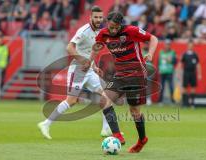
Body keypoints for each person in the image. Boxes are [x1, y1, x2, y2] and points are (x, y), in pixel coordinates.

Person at [38, 6, 112, 139]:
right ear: (90, 17)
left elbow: (88, 52)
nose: (98, 19)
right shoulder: (84, 30)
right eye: (96, 17)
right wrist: (82, 61)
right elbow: (69, 47)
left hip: (88, 70)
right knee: (71, 101)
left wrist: (94, 67)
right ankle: (46, 124)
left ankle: (106, 129)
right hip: (77, 69)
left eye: (100, 17)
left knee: (107, 95)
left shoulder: (99, 32)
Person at [92, 11, 158, 153]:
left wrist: (151, 53)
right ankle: (117, 135)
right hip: (120, 75)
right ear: (107, 23)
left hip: (136, 74)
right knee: (104, 100)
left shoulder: (131, 31)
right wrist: (93, 63)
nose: (114, 30)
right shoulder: (103, 34)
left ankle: (142, 140)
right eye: (111, 26)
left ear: (121, 25)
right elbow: (96, 47)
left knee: (134, 111)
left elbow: (153, 38)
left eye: (116, 27)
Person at [179, 41, 202, 106]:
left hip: (193, 72)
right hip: (186, 72)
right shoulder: (184, 54)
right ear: (187, 46)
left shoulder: (195, 54)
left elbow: (198, 64)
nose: (190, 47)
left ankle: (192, 103)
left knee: (193, 87)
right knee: (184, 87)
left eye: (191, 45)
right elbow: (180, 64)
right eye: (189, 45)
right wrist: (179, 73)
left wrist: (199, 74)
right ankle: (185, 103)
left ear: (193, 46)